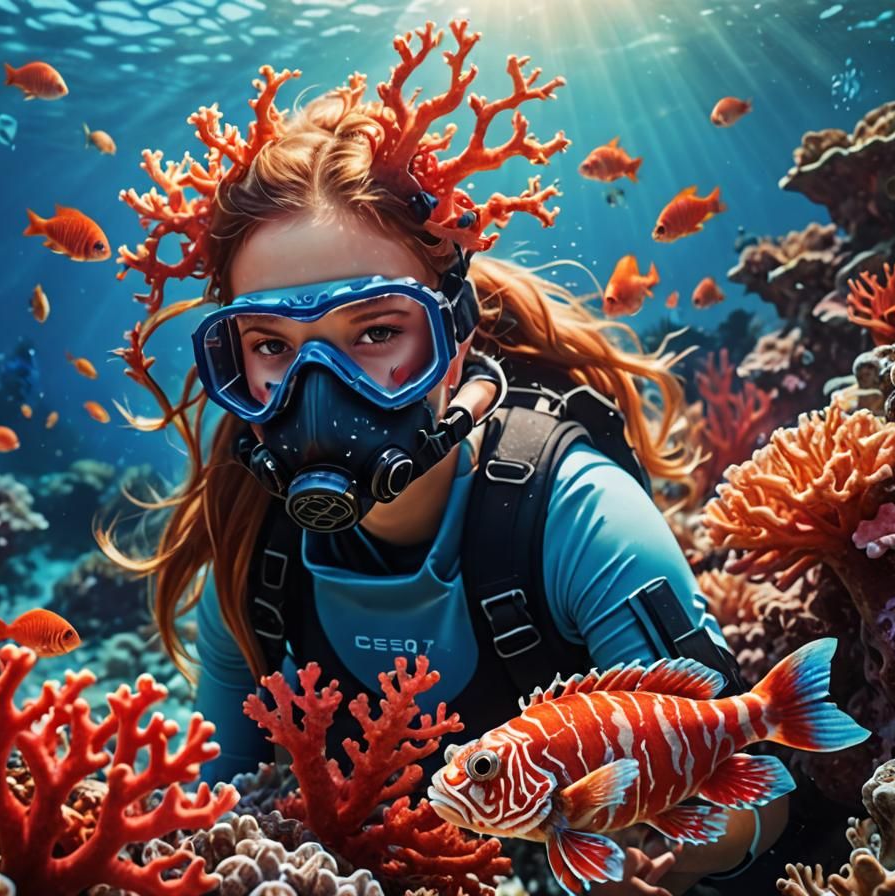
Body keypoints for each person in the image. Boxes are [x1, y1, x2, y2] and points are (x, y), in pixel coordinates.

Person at [101, 19, 788, 895]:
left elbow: (757, 796)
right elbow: (221, 807)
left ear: (455, 339)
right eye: (272, 346)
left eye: (376, 333)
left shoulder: (581, 516)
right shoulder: (250, 551)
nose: (322, 392)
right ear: (234, 364)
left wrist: (663, 857)